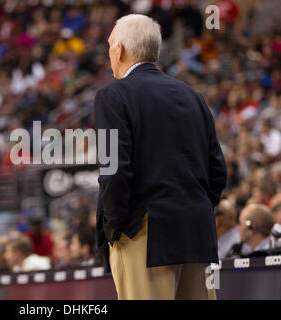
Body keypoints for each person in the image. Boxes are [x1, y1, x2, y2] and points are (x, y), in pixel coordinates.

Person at [94, 14, 227, 300]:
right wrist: (196, 209)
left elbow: (114, 167)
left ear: (119, 50)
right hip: (196, 233)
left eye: (109, 46)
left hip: (144, 232)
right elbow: (217, 170)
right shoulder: (194, 97)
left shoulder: (113, 97)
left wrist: (114, 226)